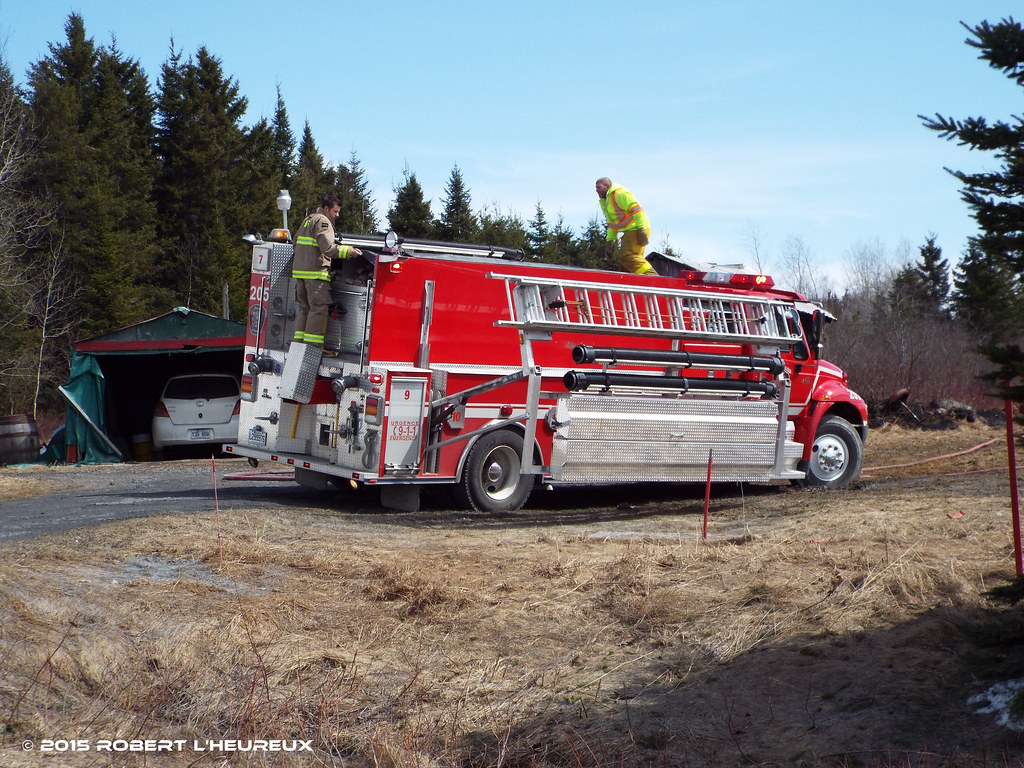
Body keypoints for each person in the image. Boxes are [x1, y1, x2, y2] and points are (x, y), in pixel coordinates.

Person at [291, 195, 362, 350]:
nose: (337, 215)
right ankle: (312, 347)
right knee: (318, 310)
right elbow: (328, 249)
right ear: (326, 209)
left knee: (305, 309)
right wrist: (350, 251)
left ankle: (299, 346)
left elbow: (295, 244)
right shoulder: (323, 222)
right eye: (335, 211)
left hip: (301, 275)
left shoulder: (307, 220)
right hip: (315, 276)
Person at [595, 177, 655, 275]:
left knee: (628, 256)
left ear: (607, 186)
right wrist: (610, 241)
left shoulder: (619, 194)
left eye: (599, 187)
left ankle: (652, 276)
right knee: (628, 263)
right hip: (633, 230)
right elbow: (612, 223)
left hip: (636, 228)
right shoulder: (606, 202)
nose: (596, 190)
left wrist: (640, 230)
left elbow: (636, 210)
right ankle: (641, 280)